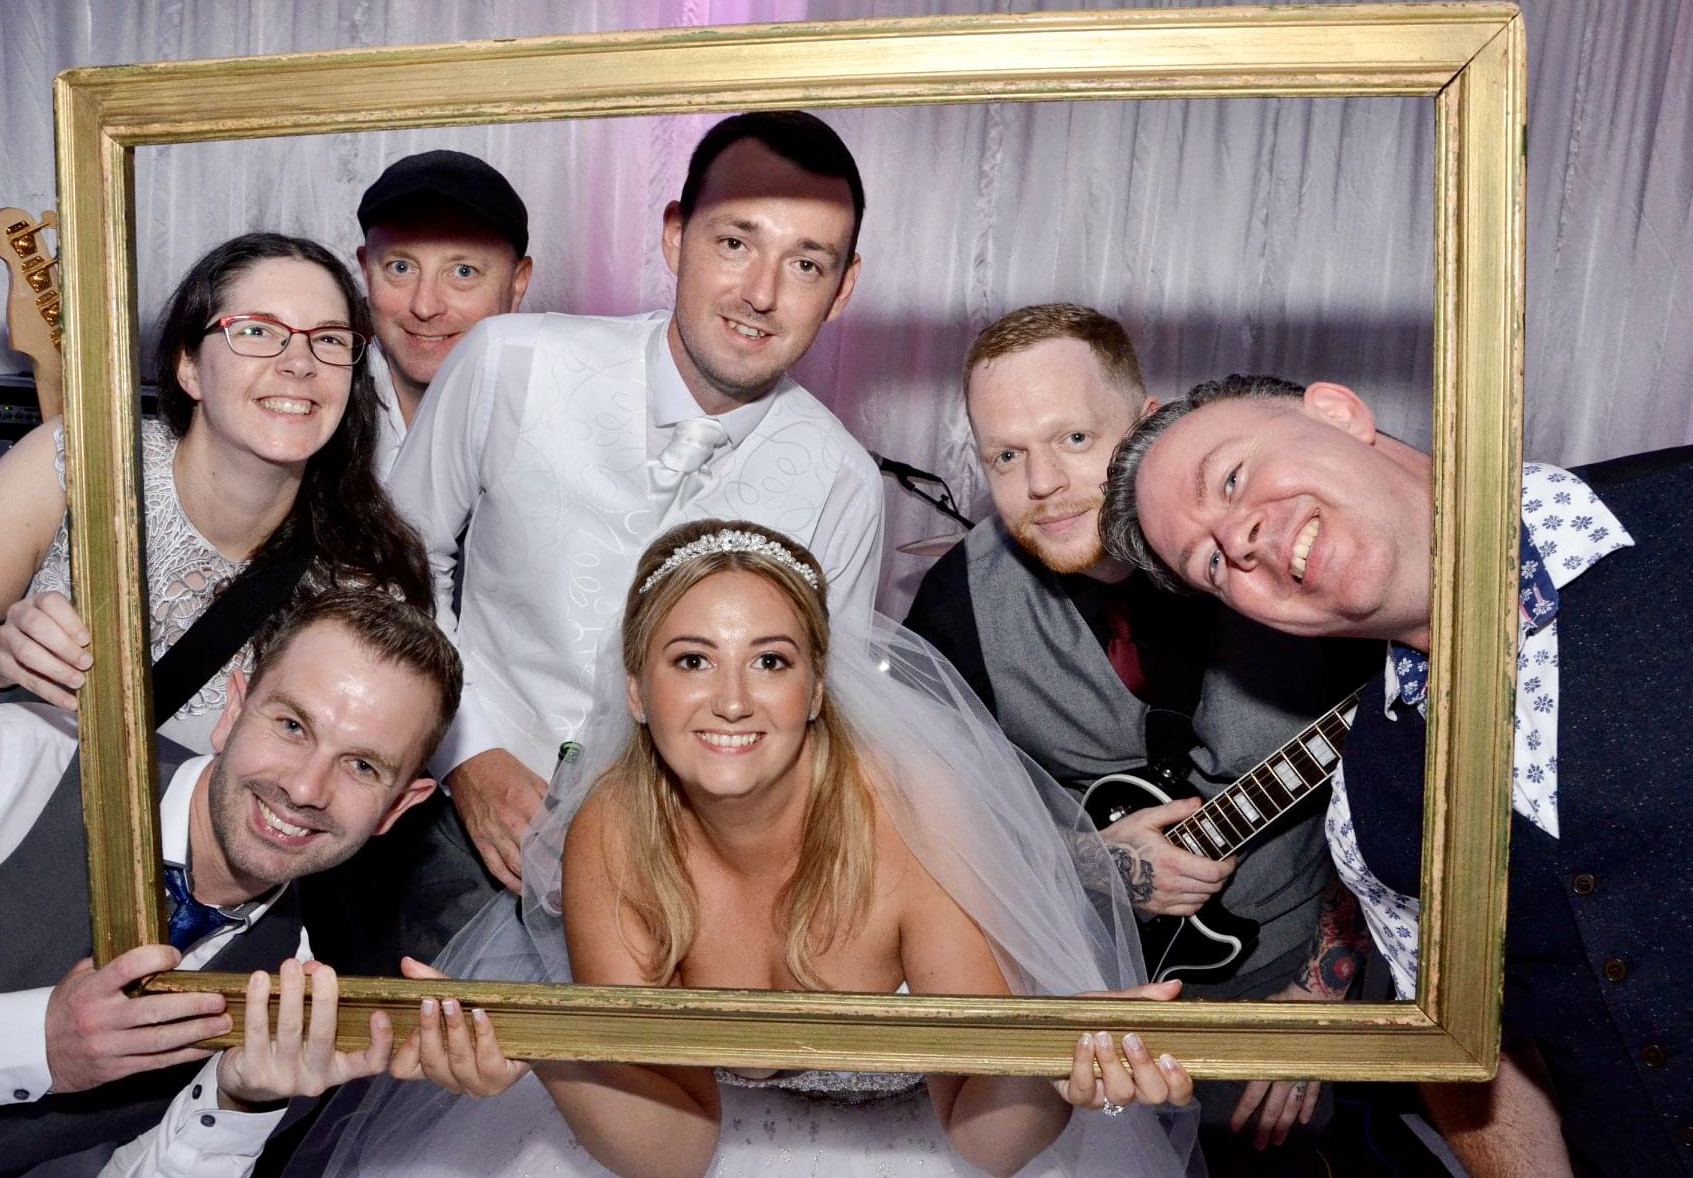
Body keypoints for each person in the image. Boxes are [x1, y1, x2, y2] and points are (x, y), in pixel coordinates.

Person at [306, 519, 1202, 1178]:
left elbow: (981, 1133)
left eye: (770, 661)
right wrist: (548, 1048)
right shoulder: (611, 831)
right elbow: (679, 1147)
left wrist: (1056, 1070)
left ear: (817, 688)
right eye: (691, 661)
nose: (731, 700)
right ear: (638, 692)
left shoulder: (914, 814)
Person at [1103, 374, 1693, 1178]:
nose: (1239, 538)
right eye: (1211, 563)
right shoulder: (1365, 813)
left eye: (1232, 477)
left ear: (1340, 412)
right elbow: (1476, 1058)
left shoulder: (1676, 514)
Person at [904, 305, 1376, 1170]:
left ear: (1147, 423)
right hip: (1083, 1014)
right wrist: (1090, 861)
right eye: (1007, 456)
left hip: (1287, 994)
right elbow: (925, 831)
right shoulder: (955, 604)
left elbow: (1398, 775)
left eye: (1075, 437)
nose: (1041, 482)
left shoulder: (1277, 543)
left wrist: (1321, 995)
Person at [386, 111, 884, 926]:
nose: (762, 293)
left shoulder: (845, 486)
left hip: (676, 888)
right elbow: (391, 566)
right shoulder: (510, 362)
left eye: (805, 263)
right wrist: (465, 751)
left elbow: (821, 721)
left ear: (843, 289)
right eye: (734, 243)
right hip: (444, 832)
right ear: (675, 237)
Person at [0, 587, 464, 1176]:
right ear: (233, 711)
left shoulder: (288, 995)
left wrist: (240, 1101)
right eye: (291, 725)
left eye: (362, 765)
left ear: (396, 809)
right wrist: (36, 1044)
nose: (307, 789)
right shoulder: (17, 759)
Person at [0, 232, 433, 750]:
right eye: (256, 330)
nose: (299, 363)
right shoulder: (75, 465)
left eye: (328, 339)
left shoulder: (363, 583)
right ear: (189, 366)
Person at [355, 149, 534, 478]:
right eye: (401, 267)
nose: (425, 306)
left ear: (517, 283)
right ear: (367, 272)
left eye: (463, 272)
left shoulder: (555, 425)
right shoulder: (314, 408)